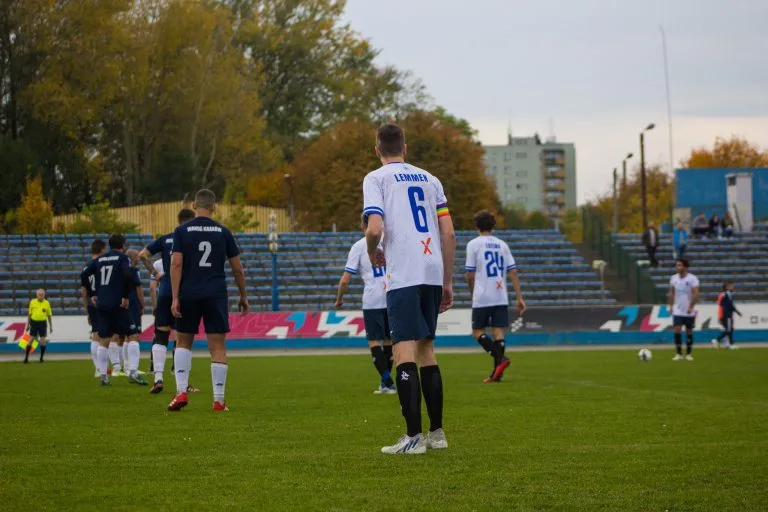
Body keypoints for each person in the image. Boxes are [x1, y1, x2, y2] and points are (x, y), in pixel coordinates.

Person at [363, 122, 455, 455]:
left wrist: (374, 252)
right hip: (432, 270)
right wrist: (446, 280)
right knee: (427, 350)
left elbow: (374, 227)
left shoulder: (376, 178)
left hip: (404, 271)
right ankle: (438, 434)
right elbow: (449, 233)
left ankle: (413, 438)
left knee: (403, 351)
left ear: (377, 150)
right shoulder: (431, 179)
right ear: (405, 148)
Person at [168, 189, 249, 412]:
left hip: (189, 293)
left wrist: (175, 297)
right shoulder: (223, 232)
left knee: (183, 341)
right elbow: (237, 269)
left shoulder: (182, 231)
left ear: (194, 205)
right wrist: (243, 295)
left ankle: (181, 392)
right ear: (214, 207)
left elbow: (176, 264)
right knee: (218, 347)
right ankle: (218, 401)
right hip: (215, 293)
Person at [139, 208, 197, 394]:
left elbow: (141, 255)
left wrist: (156, 274)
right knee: (183, 337)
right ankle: (184, 384)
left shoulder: (165, 239)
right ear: (190, 221)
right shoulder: (192, 238)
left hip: (164, 289)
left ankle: (158, 379)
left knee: (161, 333)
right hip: (184, 290)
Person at [335, 215, 395, 395]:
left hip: (373, 299)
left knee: (374, 342)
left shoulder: (359, 247)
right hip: (392, 295)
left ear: (362, 224)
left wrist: (339, 298)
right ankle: (386, 383)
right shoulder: (390, 241)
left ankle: (387, 380)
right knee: (389, 341)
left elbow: (345, 280)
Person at [464, 210, 525, 382]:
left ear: (476, 225)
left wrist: (472, 292)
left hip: (483, 295)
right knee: (498, 332)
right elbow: (512, 271)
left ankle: (500, 359)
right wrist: (519, 297)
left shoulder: (474, 244)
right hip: (500, 295)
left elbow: (470, 274)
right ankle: (497, 373)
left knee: (477, 332)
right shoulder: (502, 245)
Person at [81, 234, 135, 386]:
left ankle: (103, 375)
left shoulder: (99, 259)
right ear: (122, 245)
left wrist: (92, 294)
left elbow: (84, 274)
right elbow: (126, 274)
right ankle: (133, 371)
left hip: (102, 303)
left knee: (102, 338)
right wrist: (125, 296)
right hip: (116, 302)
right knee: (133, 335)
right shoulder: (122, 258)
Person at [81, 239, 107, 376]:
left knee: (95, 333)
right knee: (104, 335)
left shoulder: (87, 266)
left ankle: (98, 368)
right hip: (102, 301)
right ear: (102, 250)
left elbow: (84, 291)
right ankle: (103, 368)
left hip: (91, 303)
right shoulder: (101, 265)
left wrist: (87, 309)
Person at [122, 249, 148, 385]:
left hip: (123, 304)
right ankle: (133, 369)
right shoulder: (133, 271)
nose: (138, 259)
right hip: (132, 304)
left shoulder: (122, 270)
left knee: (128, 336)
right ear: (133, 258)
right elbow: (139, 288)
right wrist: (142, 304)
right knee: (134, 335)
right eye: (137, 257)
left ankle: (127, 367)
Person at [668, 258, 699, 361]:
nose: (678, 267)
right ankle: (678, 353)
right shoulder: (673, 278)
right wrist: (671, 305)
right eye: (677, 265)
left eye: (680, 265)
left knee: (689, 331)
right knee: (677, 329)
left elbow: (695, 293)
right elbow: (672, 293)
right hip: (678, 309)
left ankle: (689, 354)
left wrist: (691, 306)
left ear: (685, 267)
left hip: (688, 310)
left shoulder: (692, 279)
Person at [25, 289, 53, 363]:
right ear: (36, 295)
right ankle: (26, 358)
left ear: (44, 295)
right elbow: (29, 315)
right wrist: (27, 325)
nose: (41, 296)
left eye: (42, 294)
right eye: (39, 294)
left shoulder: (47, 303)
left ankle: (41, 358)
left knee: (43, 340)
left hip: (42, 323)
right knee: (31, 340)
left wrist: (51, 326)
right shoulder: (32, 302)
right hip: (34, 322)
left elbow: (49, 315)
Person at [712, 282, 742, 350]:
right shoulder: (725, 294)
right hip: (726, 315)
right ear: (727, 287)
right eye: (731, 286)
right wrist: (736, 312)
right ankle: (717, 340)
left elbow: (729, 305)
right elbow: (727, 305)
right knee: (728, 330)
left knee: (729, 329)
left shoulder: (727, 294)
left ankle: (729, 344)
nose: (733, 288)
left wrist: (736, 312)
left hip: (727, 314)